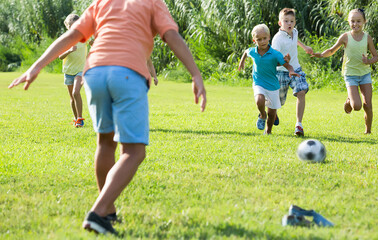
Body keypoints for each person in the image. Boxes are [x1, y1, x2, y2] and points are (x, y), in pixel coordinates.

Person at [8, 0, 206, 235]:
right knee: (134, 151)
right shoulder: (153, 2)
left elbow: (72, 35)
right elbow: (171, 36)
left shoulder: (103, 2)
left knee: (105, 143)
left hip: (94, 73)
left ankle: (108, 211)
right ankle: (98, 212)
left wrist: (36, 66)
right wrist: (195, 74)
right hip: (128, 74)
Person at [311, 8, 378, 134]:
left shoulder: (367, 38)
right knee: (357, 106)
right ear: (349, 22)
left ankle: (368, 131)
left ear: (364, 21)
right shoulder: (345, 37)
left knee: (367, 105)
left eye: (358, 21)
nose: (355, 24)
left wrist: (368, 61)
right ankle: (349, 100)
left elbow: (376, 57)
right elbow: (331, 50)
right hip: (350, 75)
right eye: (352, 21)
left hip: (365, 74)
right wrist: (320, 54)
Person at [238, 24, 299, 135]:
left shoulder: (275, 54)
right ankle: (262, 115)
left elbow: (286, 64)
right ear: (254, 40)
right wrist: (242, 62)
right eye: (259, 39)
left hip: (273, 85)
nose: (262, 41)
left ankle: (268, 131)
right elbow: (246, 52)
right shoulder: (253, 51)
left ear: (269, 37)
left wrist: (291, 70)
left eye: (264, 38)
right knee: (259, 100)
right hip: (258, 82)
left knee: (272, 113)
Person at [272, 8, 313, 136]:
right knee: (278, 102)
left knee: (301, 92)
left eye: (291, 21)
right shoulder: (277, 39)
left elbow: (295, 40)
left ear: (295, 22)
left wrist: (305, 47)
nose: (289, 24)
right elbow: (273, 57)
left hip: (296, 69)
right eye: (285, 21)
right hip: (281, 72)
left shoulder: (294, 32)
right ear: (280, 23)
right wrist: (284, 60)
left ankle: (298, 125)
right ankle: (272, 113)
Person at [58, 14, 87, 128]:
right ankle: (76, 119)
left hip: (81, 69)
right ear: (67, 26)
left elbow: (93, 43)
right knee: (72, 97)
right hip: (68, 71)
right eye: (71, 25)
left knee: (76, 92)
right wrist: (69, 50)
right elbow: (60, 56)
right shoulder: (65, 39)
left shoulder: (84, 36)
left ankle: (80, 119)